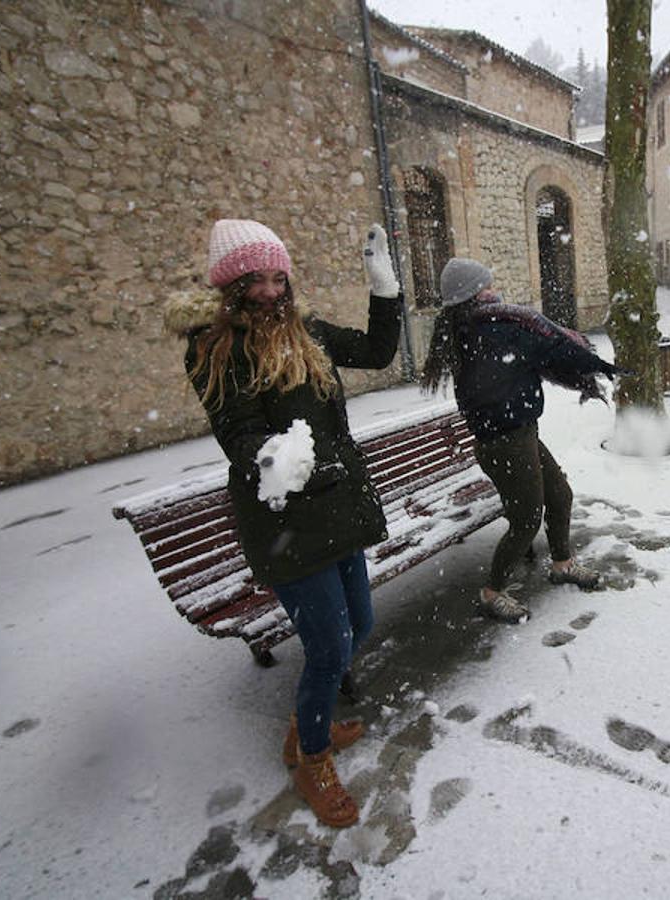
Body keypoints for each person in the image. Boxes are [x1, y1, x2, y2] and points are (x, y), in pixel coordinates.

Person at [166, 218, 402, 828]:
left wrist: (383, 289)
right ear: (230, 287)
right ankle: (313, 763)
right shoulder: (215, 348)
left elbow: (378, 354)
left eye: (278, 277)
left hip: (335, 507)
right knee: (328, 650)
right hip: (284, 519)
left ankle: (306, 729)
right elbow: (238, 431)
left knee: (360, 623)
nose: (271, 291)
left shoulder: (307, 334)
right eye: (255, 280)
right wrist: (271, 457)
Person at [419, 258, 620, 623]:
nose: (494, 292)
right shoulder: (488, 330)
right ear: (470, 297)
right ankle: (491, 592)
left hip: (520, 434)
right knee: (526, 520)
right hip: (503, 443)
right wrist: (585, 364)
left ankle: (562, 564)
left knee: (560, 495)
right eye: (485, 287)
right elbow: (539, 352)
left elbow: (532, 353)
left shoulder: (489, 327)